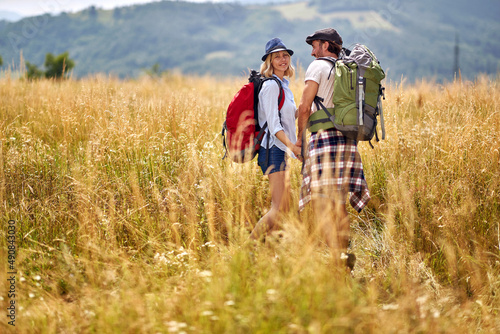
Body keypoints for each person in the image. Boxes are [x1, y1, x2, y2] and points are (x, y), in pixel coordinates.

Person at [296, 28, 370, 270]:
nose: (312, 51)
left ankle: (336, 259)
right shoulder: (344, 69)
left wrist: (299, 140)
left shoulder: (317, 67)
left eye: (315, 45)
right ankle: (344, 256)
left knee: (321, 202)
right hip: (347, 142)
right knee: (338, 202)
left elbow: (305, 107)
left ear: (326, 45)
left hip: (324, 140)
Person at [249, 37, 302, 241]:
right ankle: (246, 251)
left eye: (285, 55)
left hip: (281, 149)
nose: (283, 59)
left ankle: (271, 252)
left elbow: (285, 117)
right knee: (279, 208)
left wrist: (305, 110)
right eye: (277, 56)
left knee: (285, 207)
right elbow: (273, 124)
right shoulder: (271, 85)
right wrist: (292, 147)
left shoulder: (283, 84)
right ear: (269, 61)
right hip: (272, 150)